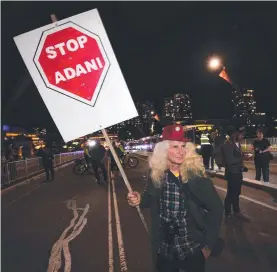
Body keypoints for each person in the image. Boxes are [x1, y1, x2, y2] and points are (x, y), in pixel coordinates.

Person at [127, 124, 223, 272]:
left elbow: (216, 208)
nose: (181, 152)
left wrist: (208, 246)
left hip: (191, 248)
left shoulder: (195, 176)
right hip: (164, 248)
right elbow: (148, 198)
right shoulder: (157, 173)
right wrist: (138, 199)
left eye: (183, 146)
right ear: (164, 151)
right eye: (175, 147)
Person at [222, 131, 247, 219]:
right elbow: (229, 161)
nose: (242, 136)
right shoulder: (228, 145)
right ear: (236, 135)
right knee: (231, 193)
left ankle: (236, 210)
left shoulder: (237, 144)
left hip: (237, 172)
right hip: (232, 173)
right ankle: (228, 211)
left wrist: (242, 162)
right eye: (241, 135)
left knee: (236, 193)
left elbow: (237, 157)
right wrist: (243, 157)